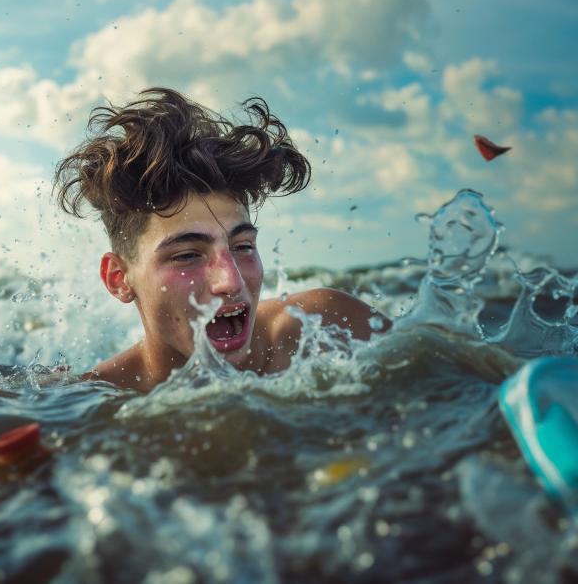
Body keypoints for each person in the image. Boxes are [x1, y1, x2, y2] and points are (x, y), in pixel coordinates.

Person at [53, 88, 391, 392]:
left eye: (242, 247)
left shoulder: (329, 330)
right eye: (187, 255)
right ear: (118, 279)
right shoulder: (97, 400)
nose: (231, 281)